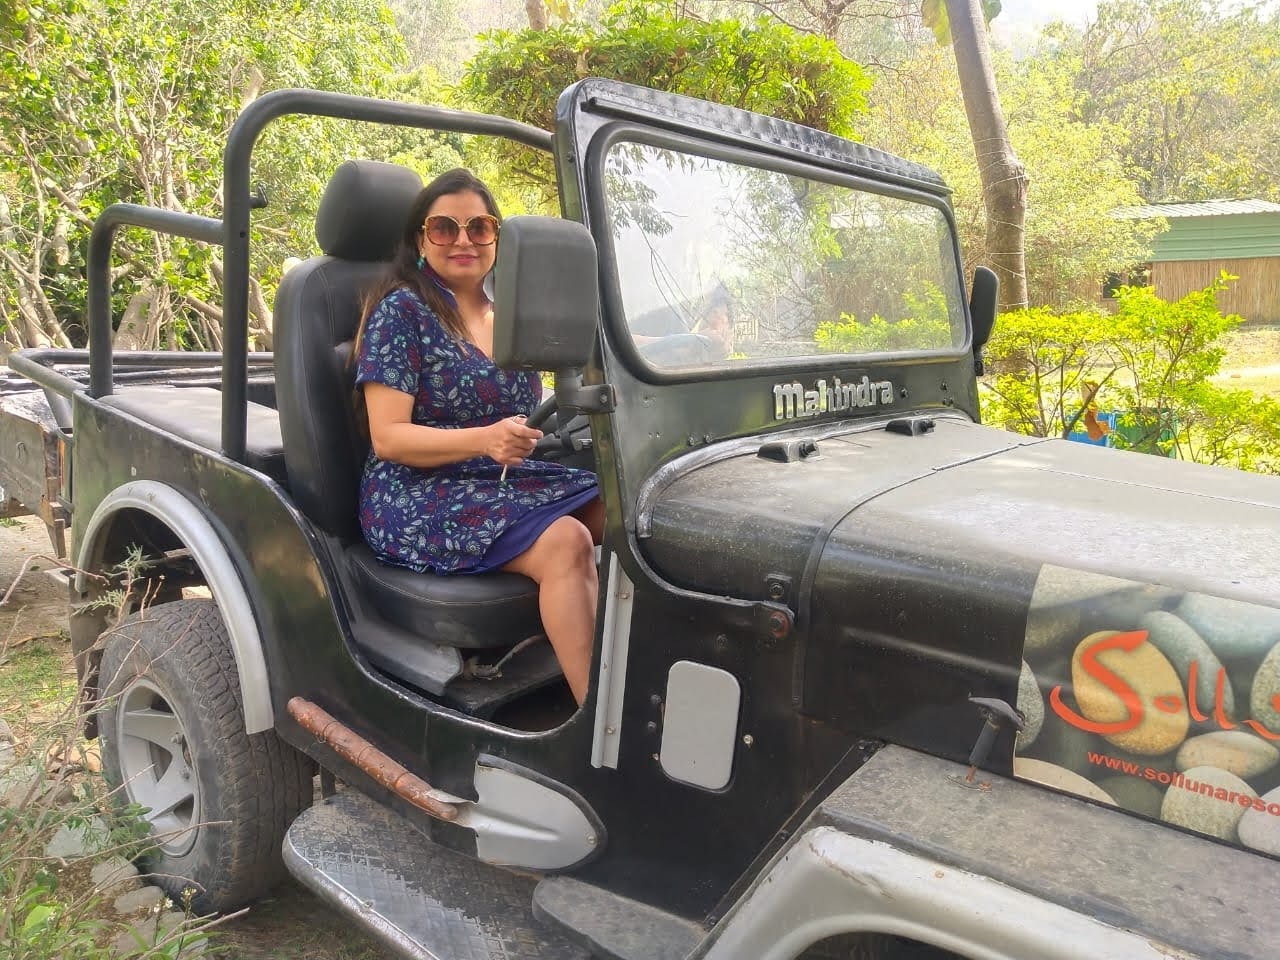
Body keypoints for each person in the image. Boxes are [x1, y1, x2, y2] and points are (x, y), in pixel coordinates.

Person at [352, 168, 602, 705]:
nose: (463, 240)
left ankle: (642, 676)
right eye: (444, 228)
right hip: (414, 491)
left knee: (631, 509)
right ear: (421, 240)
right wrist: (484, 439)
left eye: (479, 227)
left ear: (497, 238)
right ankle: (599, 726)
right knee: (567, 542)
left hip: (499, 478)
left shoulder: (510, 315)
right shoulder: (402, 312)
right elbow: (388, 439)